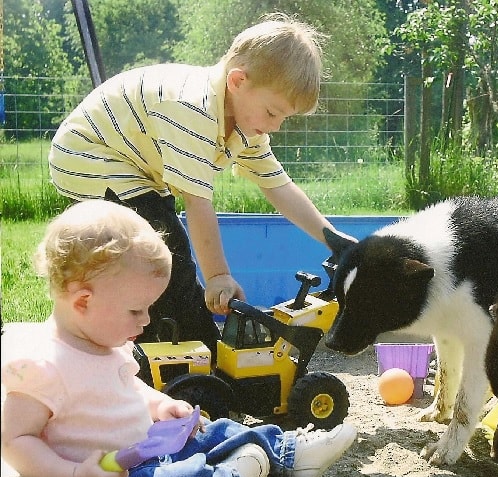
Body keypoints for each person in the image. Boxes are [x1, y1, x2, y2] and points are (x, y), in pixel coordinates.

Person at [0, 200, 358, 477]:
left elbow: (126, 386)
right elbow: (16, 440)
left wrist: (159, 405)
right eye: (135, 310)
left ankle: (290, 454)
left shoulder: (106, 344)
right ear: (83, 302)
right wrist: (74, 476)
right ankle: (236, 473)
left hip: (146, 451)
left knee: (214, 430)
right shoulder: (42, 365)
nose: (146, 321)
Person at [47, 13, 356, 353]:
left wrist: (333, 240)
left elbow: (276, 184)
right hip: (92, 155)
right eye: (272, 113)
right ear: (238, 81)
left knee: (159, 254)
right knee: (158, 259)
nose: (276, 127)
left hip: (138, 166)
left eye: (283, 117)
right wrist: (219, 277)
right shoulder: (192, 108)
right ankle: (183, 358)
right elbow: (198, 203)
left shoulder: (243, 119)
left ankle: (167, 347)